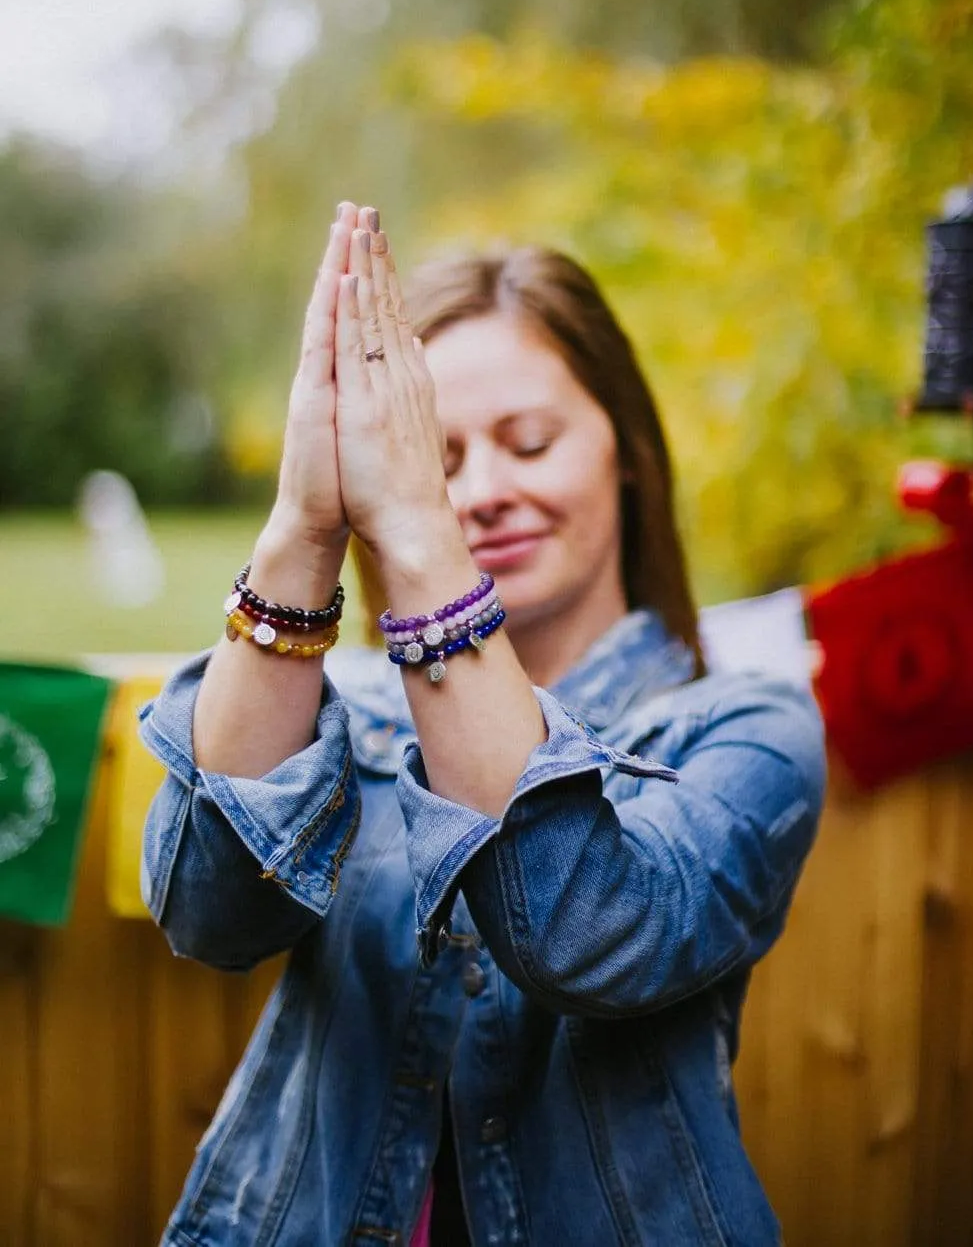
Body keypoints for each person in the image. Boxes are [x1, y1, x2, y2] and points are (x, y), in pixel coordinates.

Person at [141, 203, 826, 1247]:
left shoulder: (744, 728)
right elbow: (206, 911)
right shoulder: (346, 710)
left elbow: (591, 938)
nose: (485, 492)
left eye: (531, 441)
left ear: (628, 451)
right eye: (439, 456)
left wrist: (416, 522)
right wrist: (305, 525)